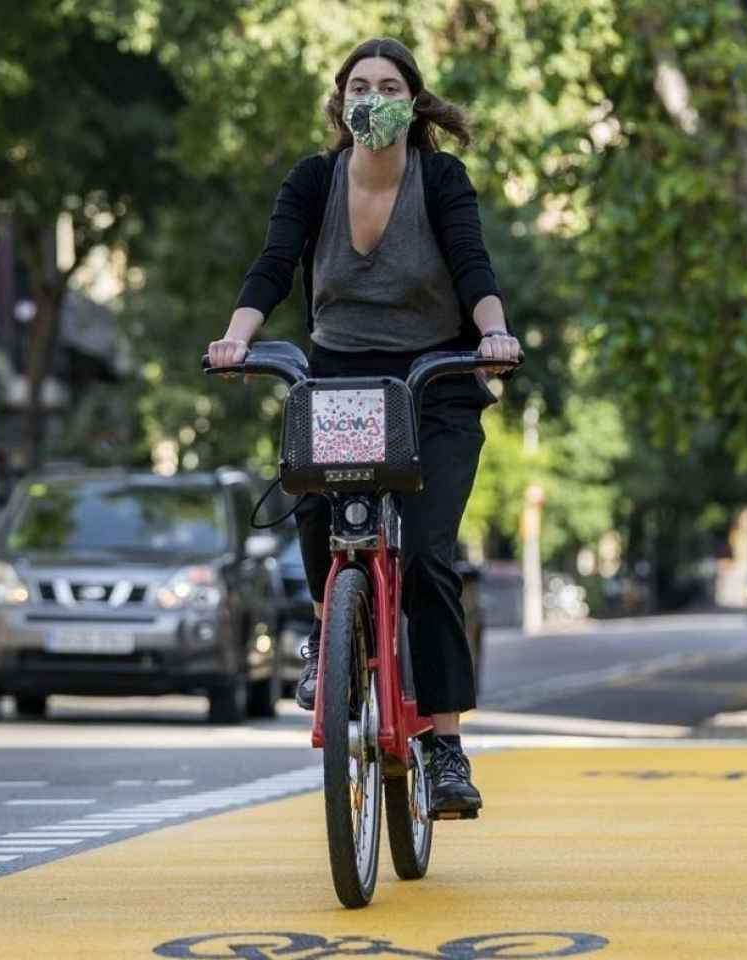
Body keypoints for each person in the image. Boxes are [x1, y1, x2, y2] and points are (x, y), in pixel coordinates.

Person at [206, 38, 520, 819]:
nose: (371, 97)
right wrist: (238, 337)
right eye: (358, 85)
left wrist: (495, 335)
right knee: (314, 503)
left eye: (387, 85)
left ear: (413, 104)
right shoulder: (314, 180)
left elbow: (473, 264)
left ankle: (445, 747)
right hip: (343, 374)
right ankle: (330, 632)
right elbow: (274, 264)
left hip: (436, 380)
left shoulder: (440, 177)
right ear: (341, 102)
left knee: (430, 560)